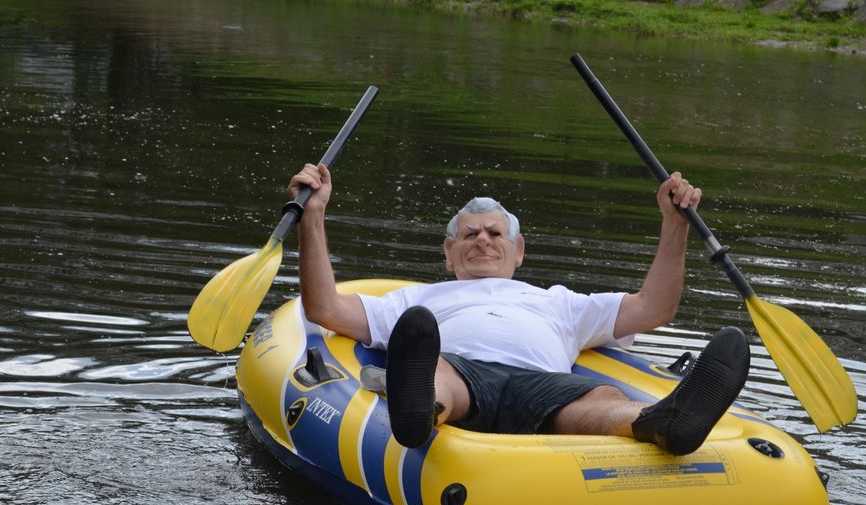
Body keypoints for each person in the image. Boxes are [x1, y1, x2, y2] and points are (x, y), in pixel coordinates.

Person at [288, 162, 750, 455]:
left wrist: (675, 225)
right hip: (462, 373)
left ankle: (665, 423)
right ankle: (420, 409)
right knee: (434, 364)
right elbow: (326, 307)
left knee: (603, 399)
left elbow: (653, 309)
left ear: (518, 249)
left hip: (545, 386)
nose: (483, 239)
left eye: (494, 233)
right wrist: (314, 216)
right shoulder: (415, 300)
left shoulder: (559, 302)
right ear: (448, 254)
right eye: (470, 235)